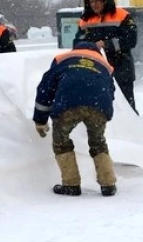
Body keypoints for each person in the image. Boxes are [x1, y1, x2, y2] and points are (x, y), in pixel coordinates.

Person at [33, 40, 117, 197]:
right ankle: (108, 184)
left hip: (68, 103)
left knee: (61, 141)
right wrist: (101, 110)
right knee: (98, 142)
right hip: (99, 104)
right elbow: (110, 92)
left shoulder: (62, 59)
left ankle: (71, 184)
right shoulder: (104, 64)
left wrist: (40, 120)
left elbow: (46, 89)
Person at [75, 0, 138, 113]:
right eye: (91, 1)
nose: (94, 4)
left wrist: (107, 44)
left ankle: (131, 131)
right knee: (100, 108)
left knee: (126, 108)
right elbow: (77, 43)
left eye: (97, 1)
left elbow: (131, 40)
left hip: (121, 68)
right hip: (95, 70)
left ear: (105, 0)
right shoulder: (85, 20)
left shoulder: (122, 15)